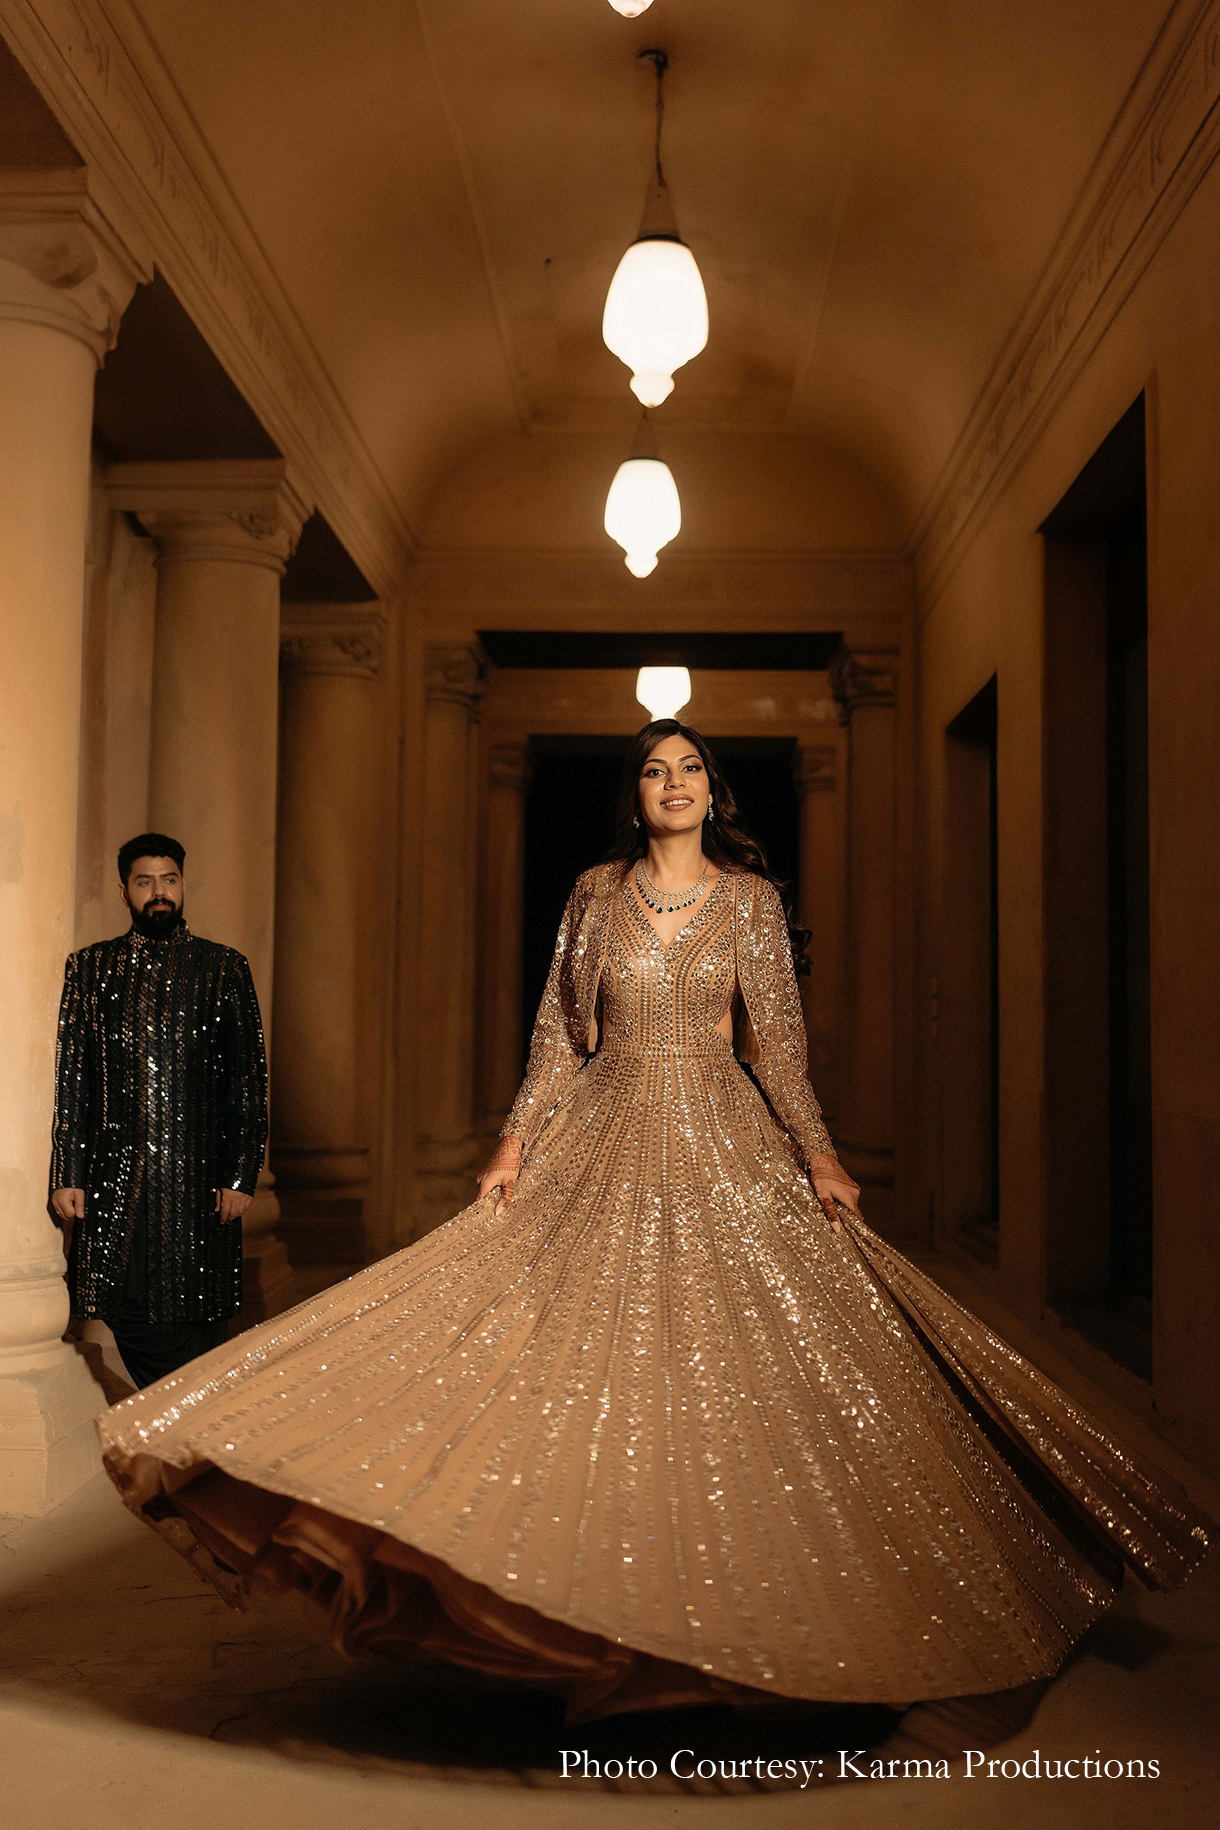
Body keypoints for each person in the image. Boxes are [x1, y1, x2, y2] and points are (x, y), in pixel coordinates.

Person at [96, 730, 1210, 1725]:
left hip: (724, 1138)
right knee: (566, 1353)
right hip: (602, 1128)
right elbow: (554, 1037)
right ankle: (584, 1604)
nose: (670, 783)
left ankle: (742, 1622)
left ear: (710, 793)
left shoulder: (750, 905)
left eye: (689, 770)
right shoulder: (591, 893)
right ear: (633, 797)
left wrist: (817, 1155)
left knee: (745, 1364)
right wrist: (513, 1144)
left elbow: (773, 1045)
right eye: (651, 769)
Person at [50, 833, 268, 1390]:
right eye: (145, 882)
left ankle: (187, 1439)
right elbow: (73, 1080)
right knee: (121, 1305)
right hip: (117, 1175)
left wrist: (240, 1174)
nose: (159, 893)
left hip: (197, 1179)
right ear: (124, 892)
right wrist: (66, 1173)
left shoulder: (223, 969)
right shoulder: (90, 970)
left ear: (183, 885)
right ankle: (191, 1424)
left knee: (199, 1315)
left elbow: (247, 1082)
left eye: (169, 880)